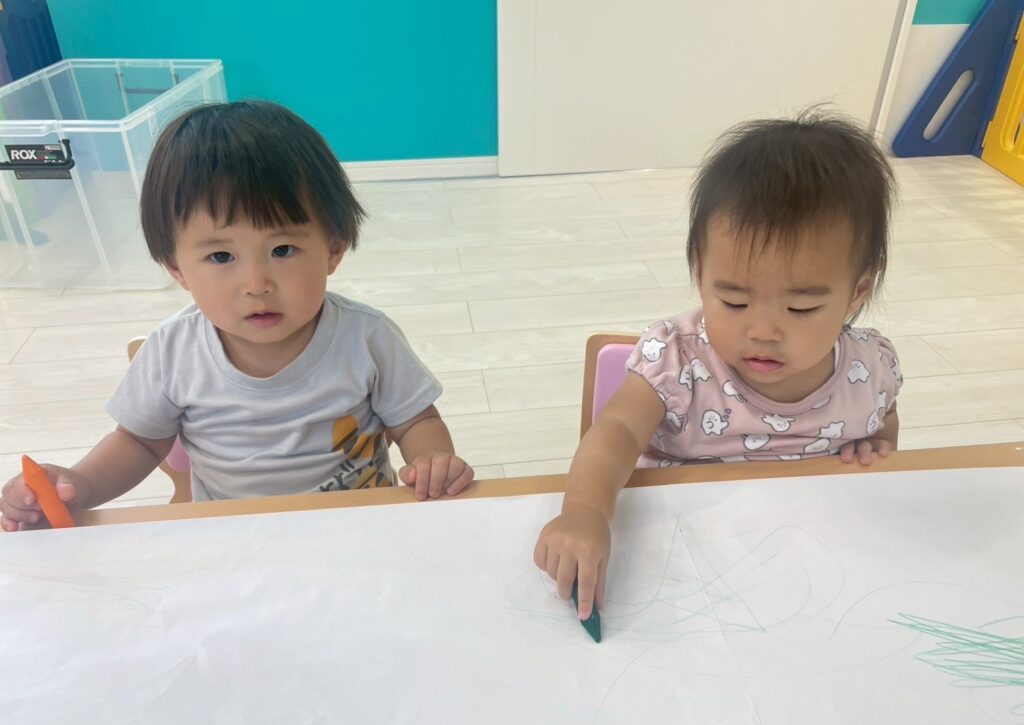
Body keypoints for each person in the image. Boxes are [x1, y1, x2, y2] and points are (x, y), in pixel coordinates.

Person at [1, 101, 473, 531]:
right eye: (221, 257)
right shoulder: (172, 351)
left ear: (333, 249)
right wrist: (80, 485)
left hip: (359, 527)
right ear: (177, 269)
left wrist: (432, 460)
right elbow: (140, 443)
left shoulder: (366, 337)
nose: (256, 284)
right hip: (233, 537)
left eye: (282, 249)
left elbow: (414, 420)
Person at [534, 111, 902, 621]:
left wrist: (876, 444)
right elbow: (616, 431)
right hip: (679, 566)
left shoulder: (870, 369)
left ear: (857, 292)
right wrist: (585, 511)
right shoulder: (677, 360)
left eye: (801, 308)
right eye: (733, 301)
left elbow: (884, 420)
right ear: (699, 273)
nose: (763, 331)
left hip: (809, 573)